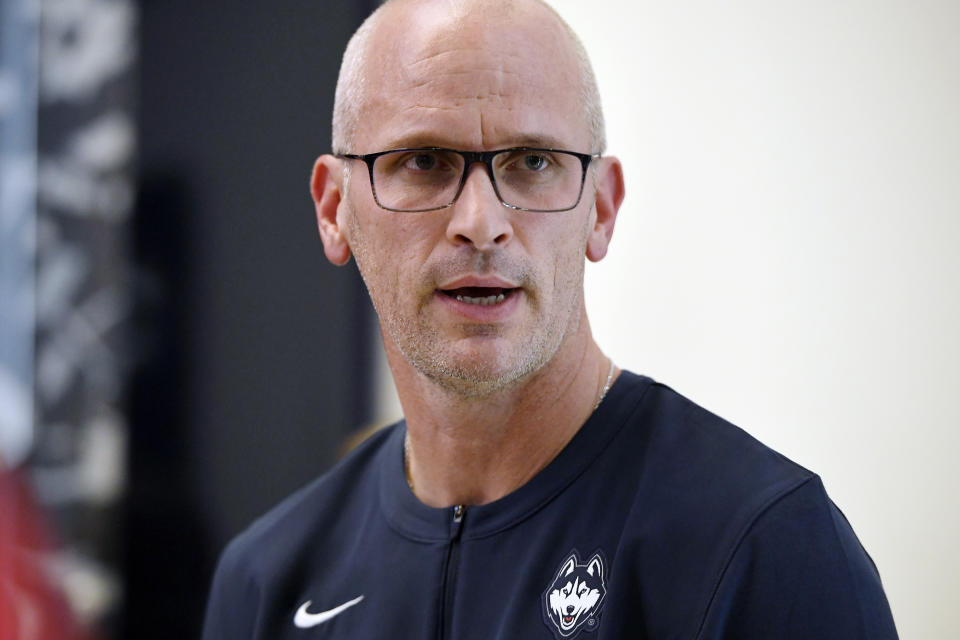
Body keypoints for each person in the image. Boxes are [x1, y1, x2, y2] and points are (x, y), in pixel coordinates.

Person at [202, 0, 898, 637]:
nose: (481, 223)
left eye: (533, 161)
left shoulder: (763, 547)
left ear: (601, 208)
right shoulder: (265, 579)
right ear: (334, 210)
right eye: (424, 161)